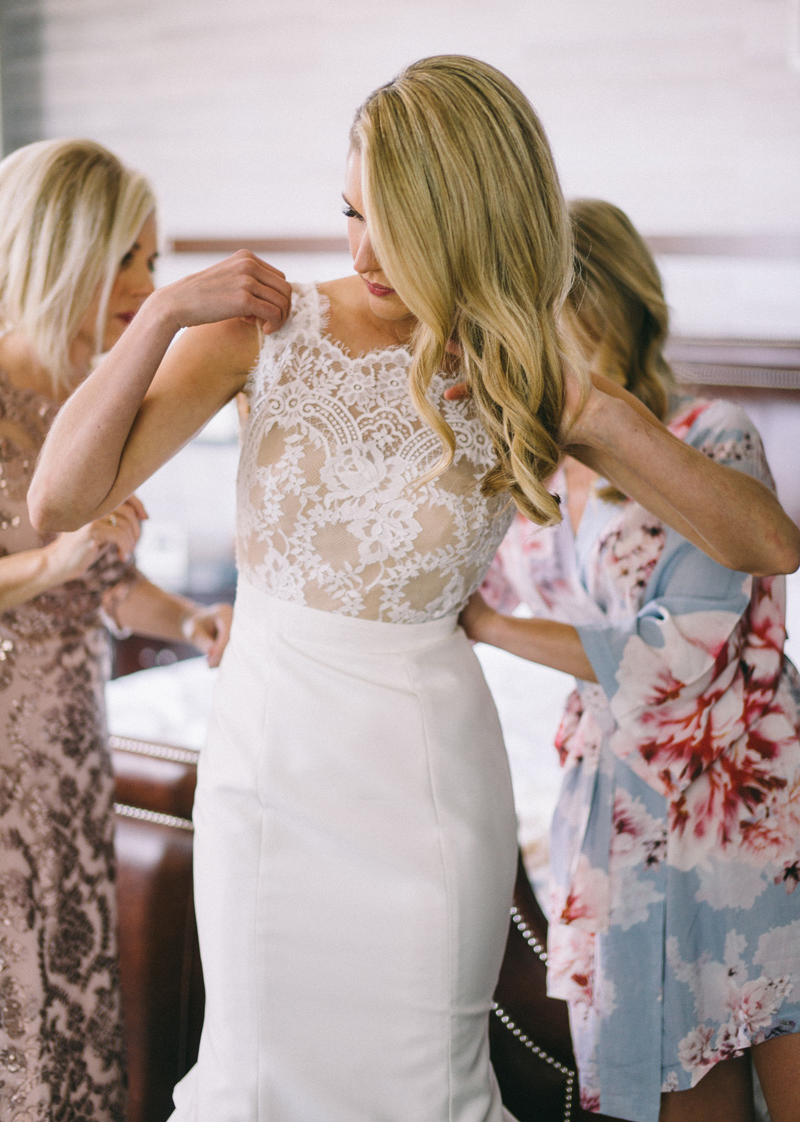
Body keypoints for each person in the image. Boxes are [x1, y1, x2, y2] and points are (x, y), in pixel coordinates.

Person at [27, 62, 800, 1122]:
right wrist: (162, 312)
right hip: (269, 769)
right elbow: (60, 499)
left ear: (467, 216)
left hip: (428, 786)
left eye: (393, 220)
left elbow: (764, 543)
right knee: (258, 1076)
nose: (361, 251)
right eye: (349, 213)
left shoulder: (518, 373)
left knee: (418, 1085)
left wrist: (602, 412)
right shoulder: (263, 328)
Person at [462, 198, 800, 1122]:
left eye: (555, 306)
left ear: (614, 305)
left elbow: (677, 651)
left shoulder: (710, 435)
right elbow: (451, 575)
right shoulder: (526, 469)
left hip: (753, 818)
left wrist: (491, 629)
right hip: (616, 820)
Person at [0, 138, 233, 1121]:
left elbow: (113, 584)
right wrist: (53, 559)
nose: (150, 280)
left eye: (155, 257)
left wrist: (192, 620)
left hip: (70, 746)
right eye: (131, 259)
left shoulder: (87, 406)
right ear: (67, 255)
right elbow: (63, 564)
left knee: (70, 988)